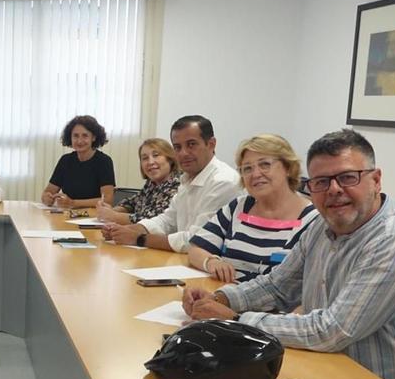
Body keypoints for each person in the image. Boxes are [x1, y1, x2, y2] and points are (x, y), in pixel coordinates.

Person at [182, 129, 395, 379]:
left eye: (348, 177)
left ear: (376, 180)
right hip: (337, 369)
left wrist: (236, 320)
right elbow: (277, 286)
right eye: (322, 182)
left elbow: (332, 330)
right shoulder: (321, 226)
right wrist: (221, 298)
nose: (334, 189)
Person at [186, 134, 318, 283]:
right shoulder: (239, 207)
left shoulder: (312, 220)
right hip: (222, 293)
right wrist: (211, 262)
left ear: (288, 167)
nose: (255, 174)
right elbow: (196, 249)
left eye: (265, 165)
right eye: (247, 168)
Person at [101, 115, 240, 252]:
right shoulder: (187, 178)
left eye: (191, 144)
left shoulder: (223, 181)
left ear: (211, 144)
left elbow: (197, 240)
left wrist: (139, 238)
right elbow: (167, 220)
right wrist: (123, 231)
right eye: (177, 147)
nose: (183, 153)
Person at [96, 138, 181, 225]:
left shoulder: (177, 185)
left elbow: (153, 220)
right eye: (145, 158)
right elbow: (132, 202)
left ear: (170, 159)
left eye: (156, 155)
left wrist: (114, 216)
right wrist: (111, 211)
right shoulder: (152, 183)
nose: (150, 162)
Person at [41, 115, 115, 208]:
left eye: (85, 136)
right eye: (75, 136)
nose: (79, 141)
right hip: (67, 213)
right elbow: (48, 191)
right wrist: (47, 198)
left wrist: (73, 203)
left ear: (93, 137)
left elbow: (107, 200)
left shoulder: (104, 161)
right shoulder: (65, 160)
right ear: (70, 137)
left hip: (93, 214)